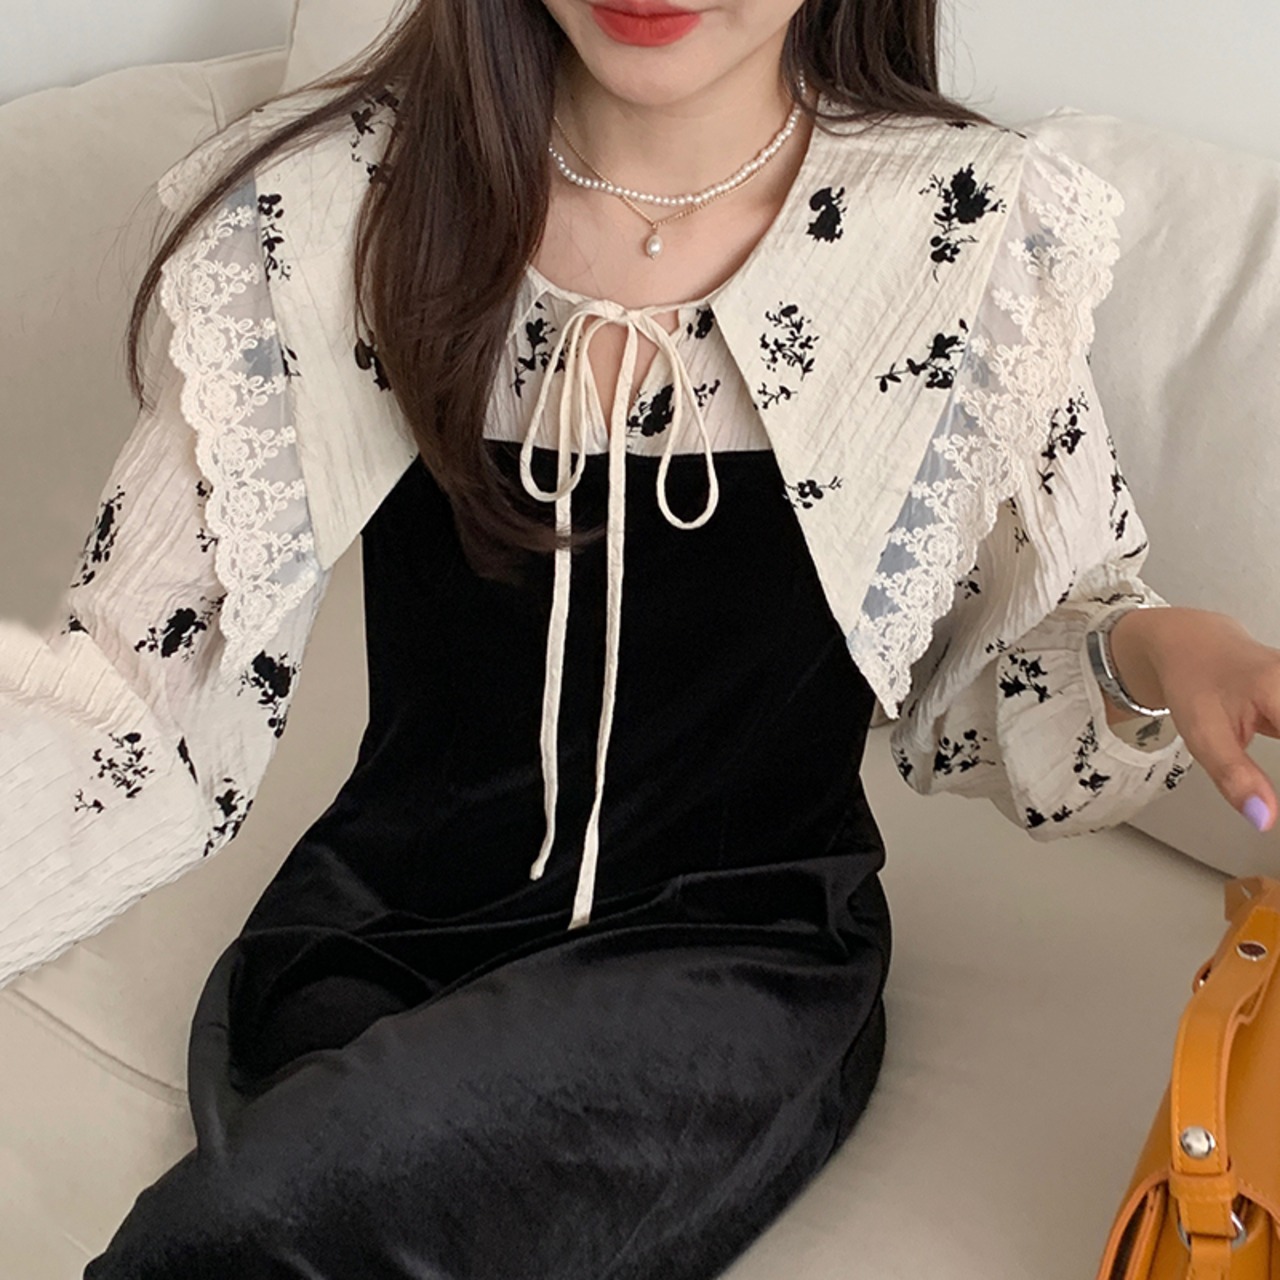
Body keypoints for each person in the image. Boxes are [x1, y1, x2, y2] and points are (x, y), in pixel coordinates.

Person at [0, 0, 1274, 1276]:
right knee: (318, 1189)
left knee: (267, 1220)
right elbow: (131, 691)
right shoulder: (344, 200)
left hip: (727, 955)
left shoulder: (962, 234)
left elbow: (993, 683)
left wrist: (1155, 651)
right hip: (372, 927)